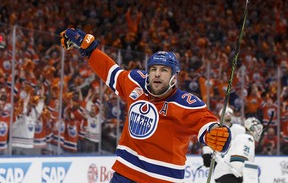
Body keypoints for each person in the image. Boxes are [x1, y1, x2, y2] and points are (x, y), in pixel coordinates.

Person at [60, 28, 232, 183]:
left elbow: (207, 124)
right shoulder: (136, 82)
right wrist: (90, 51)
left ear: (174, 77)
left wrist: (217, 134)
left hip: (163, 179)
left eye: (164, 70)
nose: (157, 74)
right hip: (125, 174)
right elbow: (112, 72)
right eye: (153, 69)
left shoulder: (186, 104)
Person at [213, 117, 263, 183]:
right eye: (256, 128)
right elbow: (237, 163)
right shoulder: (246, 138)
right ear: (250, 128)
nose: (258, 132)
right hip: (228, 174)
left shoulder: (243, 138)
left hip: (226, 174)